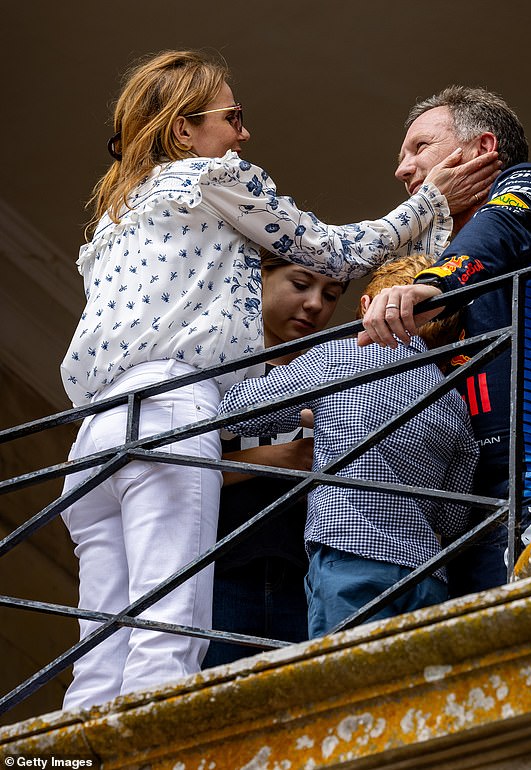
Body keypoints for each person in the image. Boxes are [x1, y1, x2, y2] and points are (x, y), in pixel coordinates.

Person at [58, 52, 499, 709]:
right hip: (173, 403)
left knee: (101, 651)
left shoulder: (116, 218)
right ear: (185, 130)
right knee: (165, 636)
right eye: (232, 117)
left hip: (93, 433)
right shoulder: (216, 177)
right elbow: (335, 251)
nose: (243, 133)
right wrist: (435, 200)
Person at [218, 254, 479, 638]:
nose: (316, 305)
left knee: (341, 678)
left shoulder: (337, 356)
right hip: (425, 573)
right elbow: (453, 519)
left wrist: (313, 415)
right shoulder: (454, 401)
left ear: (365, 307)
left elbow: (235, 412)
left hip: (347, 556)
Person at [359, 86, 531, 596]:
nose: (403, 169)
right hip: (457, 507)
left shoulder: (527, 185)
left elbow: (497, 234)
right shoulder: (433, 248)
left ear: (482, 147)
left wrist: (434, 286)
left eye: (419, 147)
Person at [203, 251, 348, 667]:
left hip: (304, 577)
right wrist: (280, 457)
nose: (315, 304)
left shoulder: (333, 368)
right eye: (300, 285)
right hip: (222, 569)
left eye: (332, 295)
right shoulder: (211, 363)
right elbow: (173, 472)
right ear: (257, 276)